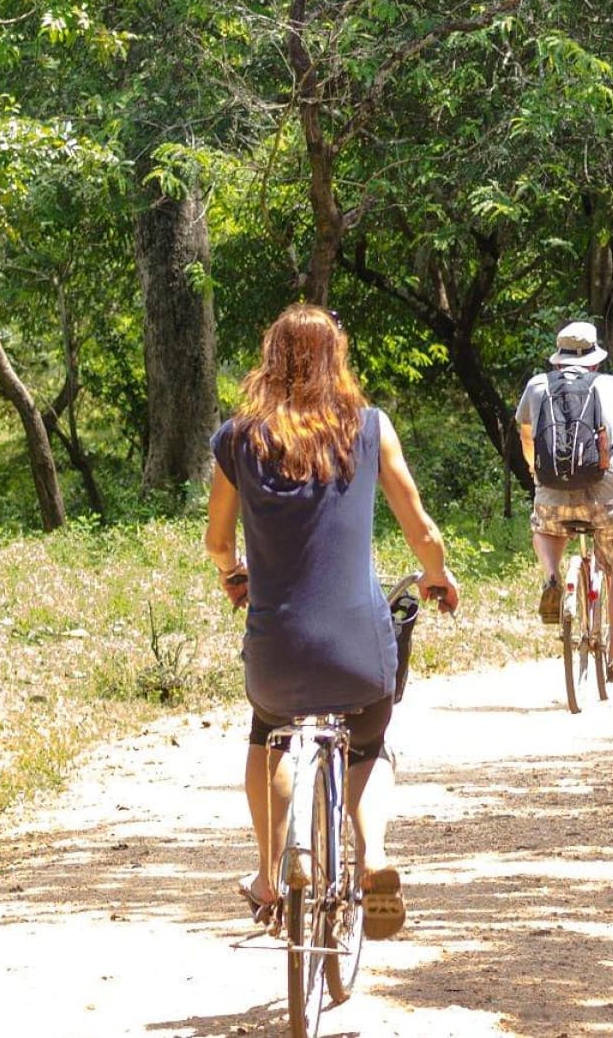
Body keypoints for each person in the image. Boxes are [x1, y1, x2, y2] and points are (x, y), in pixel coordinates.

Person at [203, 303, 459, 939]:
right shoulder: (369, 428)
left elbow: (215, 541)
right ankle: (372, 857)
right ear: (335, 359)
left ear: (270, 360)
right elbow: (421, 528)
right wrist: (438, 577)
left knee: (270, 738)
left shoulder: (237, 439)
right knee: (369, 743)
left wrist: (232, 571)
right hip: (355, 645)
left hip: (278, 649)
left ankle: (272, 871)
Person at [518, 320, 613, 679]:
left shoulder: (536, 386)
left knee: (545, 526)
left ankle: (552, 576)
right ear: (595, 359)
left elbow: (527, 438)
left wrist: (538, 474)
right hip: (607, 500)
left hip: (552, 497)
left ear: (557, 359)